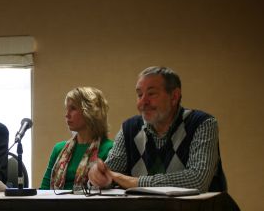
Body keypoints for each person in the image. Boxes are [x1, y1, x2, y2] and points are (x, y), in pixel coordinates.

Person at [88, 66, 226, 192]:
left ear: (174, 97)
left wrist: (133, 181)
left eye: (151, 94)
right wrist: (98, 177)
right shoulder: (129, 129)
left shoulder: (202, 123)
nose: (143, 102)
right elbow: (109, 174)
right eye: (139, 95)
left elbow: (197, 180)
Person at [41, 87, 113, 191]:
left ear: (90, 112)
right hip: (55, 205)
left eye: (73, 108)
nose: (67, 115)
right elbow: (44, 190)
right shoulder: (59, 149)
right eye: (67, 109)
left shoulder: (108, 148)